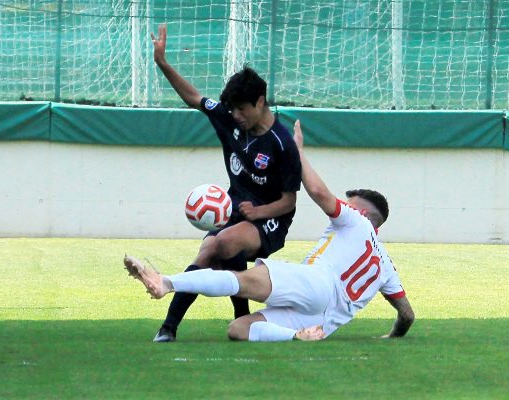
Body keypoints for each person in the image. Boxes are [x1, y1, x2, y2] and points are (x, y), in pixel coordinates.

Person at [123, 120, 415, 342]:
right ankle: (297, 336)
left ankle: (166, 284)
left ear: (362, 213)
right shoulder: (386, 266)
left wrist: (296, 152)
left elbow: (316, 190)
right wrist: (392, 337)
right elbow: (407, 315)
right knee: (237, 330)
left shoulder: (357, 221)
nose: (344, 207)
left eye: (349, 204)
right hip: (321, 322)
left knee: (241, 279)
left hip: (317, 283)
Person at [148, 24, 302, 342]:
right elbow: (193, 97)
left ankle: (238, 315)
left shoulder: (282, 143)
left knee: (224, 243)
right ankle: (169, 327)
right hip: (237, 212)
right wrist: (162, 63)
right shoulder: (230, 120)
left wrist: (257, 213)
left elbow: (289, 201)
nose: (237, 116)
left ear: (260, 102)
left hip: (271, 219)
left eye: (242, 109)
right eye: (232, 109)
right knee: (208, 251)